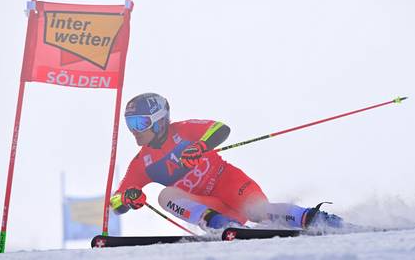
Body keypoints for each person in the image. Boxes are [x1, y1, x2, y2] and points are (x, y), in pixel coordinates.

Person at [110, 93, 343, 230]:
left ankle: (316, 220)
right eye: (130, 124)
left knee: (258, 212)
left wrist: (200, 145)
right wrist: (129, 198)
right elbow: (116, 201)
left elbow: (220, 128)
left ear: (160, 120)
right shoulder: (142, 163)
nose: (134, 131)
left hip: (230, 183)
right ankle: (221, 226)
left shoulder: (182, 130)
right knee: (165, 196)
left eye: (139, 123)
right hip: (211, 209)